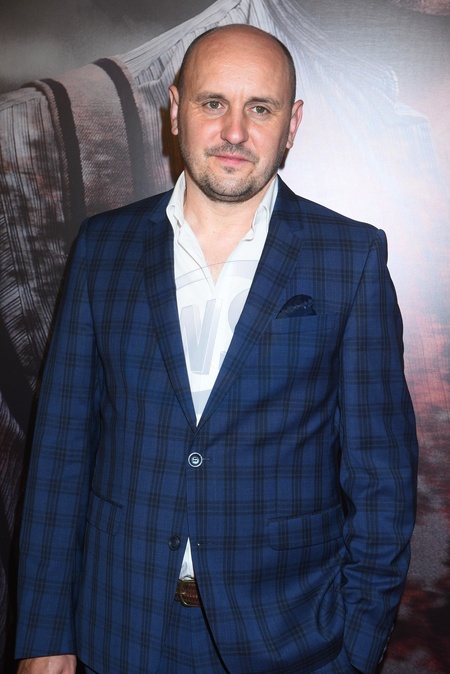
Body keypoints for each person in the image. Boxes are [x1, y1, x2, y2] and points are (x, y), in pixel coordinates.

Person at [15, 24, 418, 674]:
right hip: (117, 628)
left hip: (290, 641)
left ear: (292, 124)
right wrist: (42, 633)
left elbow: (383, 482)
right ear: (176, 110)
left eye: (260, 108)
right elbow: (61, 453)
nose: (235, 130)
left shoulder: (350, 257)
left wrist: (356, 648)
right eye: (213, 103)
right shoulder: (104, 248)